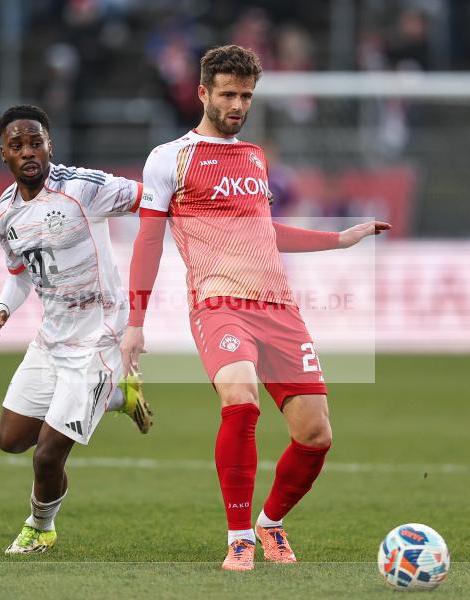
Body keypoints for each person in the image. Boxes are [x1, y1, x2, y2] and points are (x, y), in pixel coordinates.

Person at [120, 45, 390, 571]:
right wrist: (135, 323)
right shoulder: (168, 157)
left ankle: (270, 523)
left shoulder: (254, 157)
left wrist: (338, 239)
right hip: (218, 303)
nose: (238, 105)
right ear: (202, 93)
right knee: (241, 402)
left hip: (279, 307)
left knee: (315, 435)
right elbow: (149, 241)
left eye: (246, 95)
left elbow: (263, 232)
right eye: (228, 94)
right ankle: (239, 536)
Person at [0, 105, 153, 554]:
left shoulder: (83, 188)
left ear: (49, 146)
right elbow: (20, 272)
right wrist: (2, 308)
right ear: (3, 153)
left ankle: (40, 527)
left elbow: (152, 197)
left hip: (100, 338)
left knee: (47, 454)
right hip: (52, 338)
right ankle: (118, 394)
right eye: (17, 145)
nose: (28, 151)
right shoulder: (5, 214)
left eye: (35, 142)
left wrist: (226, 202)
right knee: (10, 440)